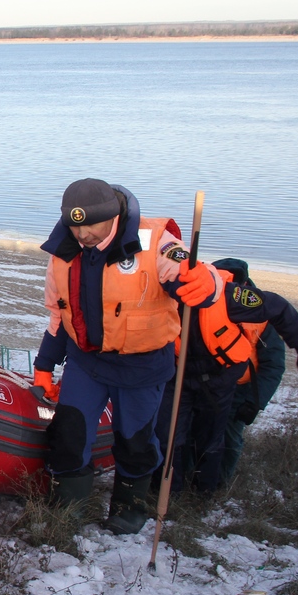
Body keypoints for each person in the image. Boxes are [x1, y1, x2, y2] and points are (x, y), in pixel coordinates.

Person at [31, 178, 222, 535]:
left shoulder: (155, 242)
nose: (83, 234)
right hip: (87, 363)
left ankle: (129, 508)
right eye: (75, 225)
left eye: (91, 225)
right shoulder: (63, 250)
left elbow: (193, 271)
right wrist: (44, 367)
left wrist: (206, 282)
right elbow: (59, 315)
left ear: (113, 217)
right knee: (70, 434)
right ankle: (67, 510)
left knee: (135, 440)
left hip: (143, 366)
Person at [159, 256, 298, 495]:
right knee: (170, 437)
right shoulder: (170, 290)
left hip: (222, 380)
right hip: (179, 376)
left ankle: (206, 492)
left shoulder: (233, 298)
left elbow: (278, 309)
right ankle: (167, 492)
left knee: (215, 441)